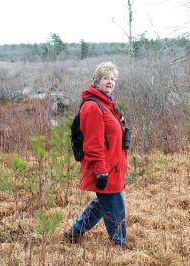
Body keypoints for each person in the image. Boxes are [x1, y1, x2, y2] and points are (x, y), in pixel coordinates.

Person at [64, 62, 128, 246]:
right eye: (105, 78)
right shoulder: (93, 106)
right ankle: (119, 245)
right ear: (96, 81)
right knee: (116, 206)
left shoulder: (108, 105)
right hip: (105, 168)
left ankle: (74, 232)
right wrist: (101, 172)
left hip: (113, 166)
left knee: (102, 203)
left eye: (112, 78)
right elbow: (93, 144)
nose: (110, 82)